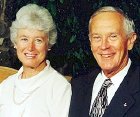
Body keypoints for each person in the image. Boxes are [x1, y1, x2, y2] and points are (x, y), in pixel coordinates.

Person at [0, 4, 71, 117]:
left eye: (38, 40)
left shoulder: (59, 88)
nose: (30, 47)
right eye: (24, 39)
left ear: (48, 44)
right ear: (15, 43)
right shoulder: (6, 86)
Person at [69, 6, 140, 117]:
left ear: (130, 41)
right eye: (97, 37)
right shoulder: (77, 86)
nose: (104, 46)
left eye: (113, 36)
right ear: (90, 41)